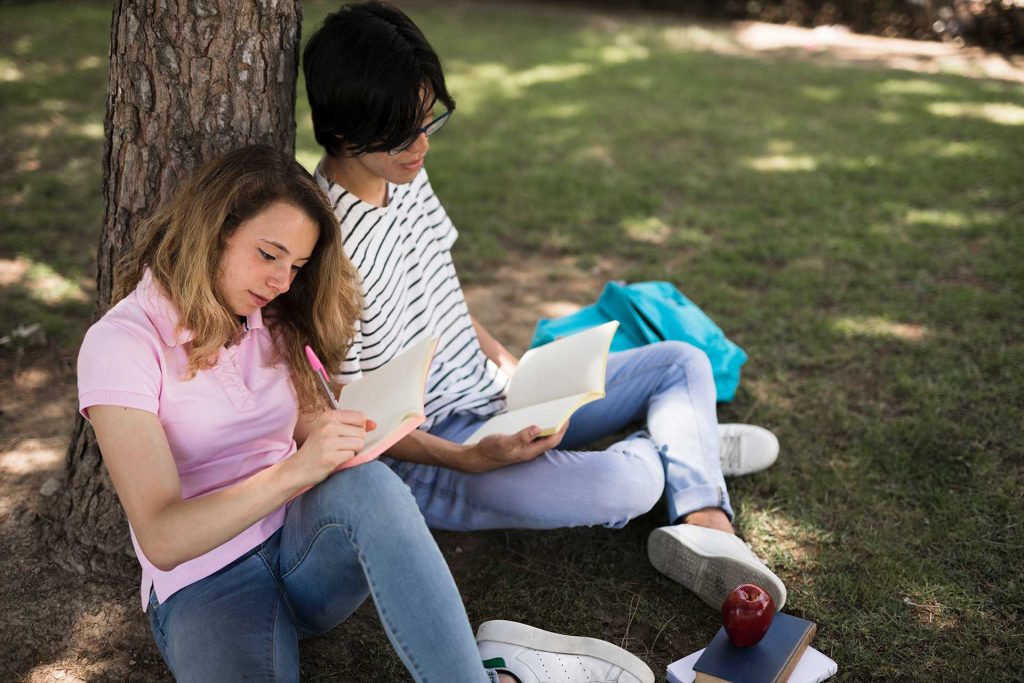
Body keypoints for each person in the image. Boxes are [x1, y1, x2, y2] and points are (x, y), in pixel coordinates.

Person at [76, 145, 656, 683]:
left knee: (370, 484)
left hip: (311, 548)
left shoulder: (267, 320)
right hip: (205, 585)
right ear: (211, 231)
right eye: (268, 255)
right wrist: (299, 470)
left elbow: (318, 428)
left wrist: (433, 447)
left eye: (297, 266)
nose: (281, 282)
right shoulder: (121, 344)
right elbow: (162, 536)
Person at [304, 1, 789, 614]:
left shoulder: (403, 175)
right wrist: (468, 459)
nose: (422, 144)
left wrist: (514, 370)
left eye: (430, 120)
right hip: (438, 458)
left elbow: (440, 296)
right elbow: (360, 421)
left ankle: (707, 519)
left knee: (682, 361)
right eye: (404, 131)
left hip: (495, 398)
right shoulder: (330, 255)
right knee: (630, 482)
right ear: (346, 129)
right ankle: (678, 443)